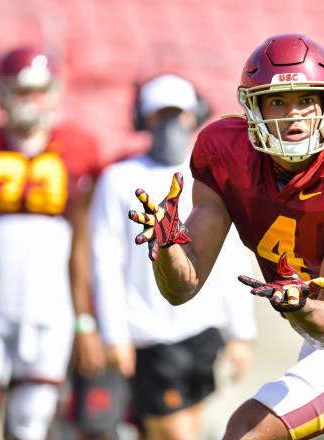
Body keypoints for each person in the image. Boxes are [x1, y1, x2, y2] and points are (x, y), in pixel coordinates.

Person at [127, 34, 324, 440]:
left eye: (306, 100)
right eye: (277, 101)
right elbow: (182, 287)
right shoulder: (225, 151)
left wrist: (297, 306)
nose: (294, 116)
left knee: (249, 429)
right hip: (321, 331)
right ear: (252, 106)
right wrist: (167, 247)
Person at [72, 73, 257, 440]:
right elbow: (105, 260)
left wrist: (241, 331)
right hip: (151, 332)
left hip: (203, 329)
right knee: (172, 432)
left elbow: (231, 254)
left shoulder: (210, 174)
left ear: (195, 115)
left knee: (187, 426)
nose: (172, 125)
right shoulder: (119, 179)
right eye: (161, 115)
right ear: (144, 119)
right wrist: (114, 333)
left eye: (180, 114)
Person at [0, 46, 102, 440]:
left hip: (47, 310)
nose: (32, 101)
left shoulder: (79, 148)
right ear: (2, 93)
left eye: (40, 90)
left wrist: (84, 319)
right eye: (22, 91)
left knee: (29, 425)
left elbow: (83, 243)